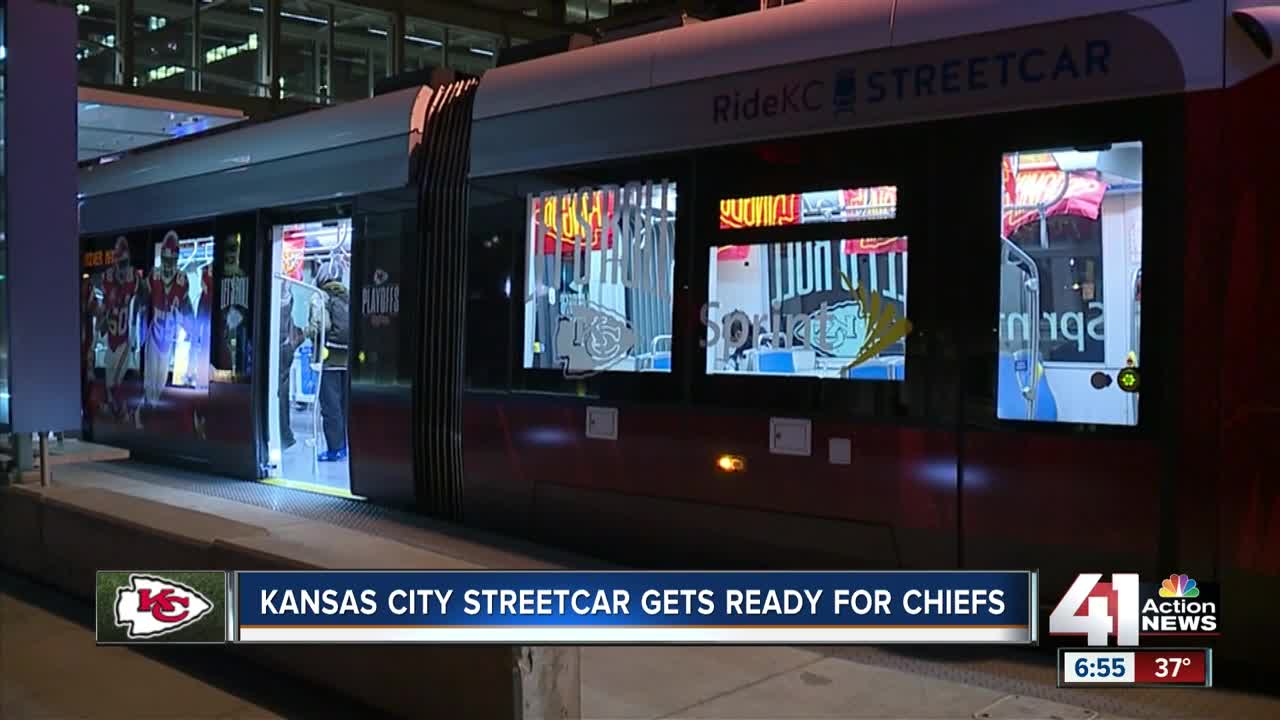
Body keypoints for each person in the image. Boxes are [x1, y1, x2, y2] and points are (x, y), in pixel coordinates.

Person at [139, 231, 194, 428]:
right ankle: (147, 409)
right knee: (150, 378)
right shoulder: (153, 275)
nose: (169, 265)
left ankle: (153, 412)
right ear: (161, 258)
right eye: (166, 260)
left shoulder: (182, 280)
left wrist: (192, 329)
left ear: (177, 259)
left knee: (161, 378)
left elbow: (187, 307)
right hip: (155, 331)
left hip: (169, 334)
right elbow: (142, 300)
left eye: (172, 260)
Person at [307, 260, 350, 461]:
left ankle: (335, 449)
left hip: (328, 360)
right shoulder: (348, 296)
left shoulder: (320, 296)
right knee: (343, 405)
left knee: (330, 406)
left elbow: (320, 327)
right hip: (347, 359)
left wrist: (306, 332)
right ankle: (346, 446)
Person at [278, 286, 304, 450]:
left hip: (280, 352)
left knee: (279, 397)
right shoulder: (288, 301)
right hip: (287, 351)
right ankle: (286, 436)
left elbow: (280, 332)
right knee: (283, 396)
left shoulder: (280, 303)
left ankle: (283, 436)